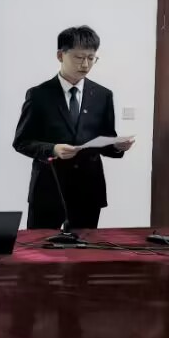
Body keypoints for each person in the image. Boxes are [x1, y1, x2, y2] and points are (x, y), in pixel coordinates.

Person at [12, 26, 133, 230]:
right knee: (41, 246)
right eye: (79, 57)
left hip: (88, 189)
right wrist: (53, 149)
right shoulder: (39, 95)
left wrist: (117, 146)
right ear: (60, 55)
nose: (85, 64)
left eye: (91, 58)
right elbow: (22, 142)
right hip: (48, 189)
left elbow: (106, 139)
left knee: (84, 247)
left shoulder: (103, 95)